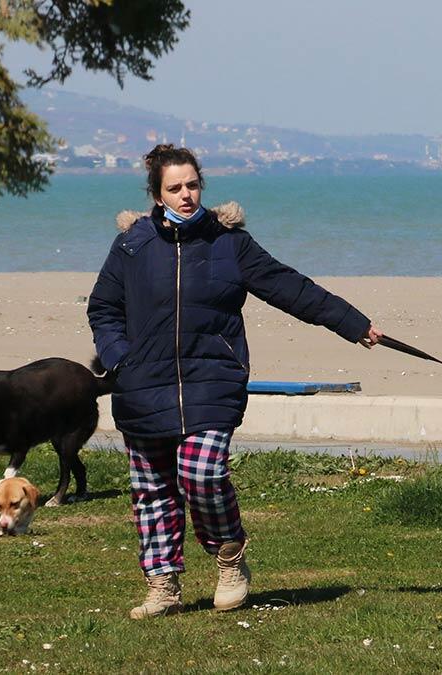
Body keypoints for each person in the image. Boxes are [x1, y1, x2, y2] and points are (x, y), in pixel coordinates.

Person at [88, 144, 382, 619]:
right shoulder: (132, 245)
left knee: (202, 475)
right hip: (143, 385)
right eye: (174, 188)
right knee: (153, 491)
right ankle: (162, 584)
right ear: (157, 194)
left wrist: (352, 323)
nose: (186, 195)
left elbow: (291, 287)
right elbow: (103, 308)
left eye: (192, 185)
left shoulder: (230, 243)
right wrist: (121, 359)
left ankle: (230, 557)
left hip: (213, 380)